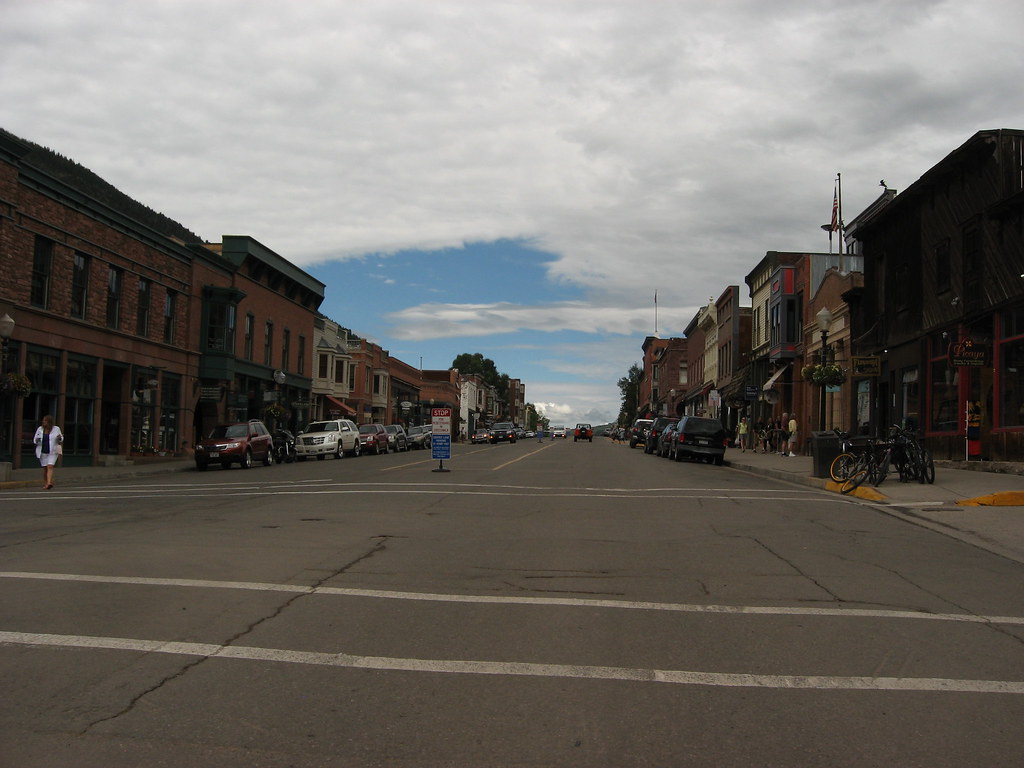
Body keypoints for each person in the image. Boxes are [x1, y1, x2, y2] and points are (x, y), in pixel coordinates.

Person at [33, 414, 63, 490]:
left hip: (52, 451)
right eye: (43, 420)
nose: (44, 422)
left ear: (49, 422)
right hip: (42, 451)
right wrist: (37, 440)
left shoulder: (56, 429)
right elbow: (35, 440)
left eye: (46, 421)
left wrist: (59, 438)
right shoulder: (40, 429)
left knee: (50, 466)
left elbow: (61, 438)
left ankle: (49, 483)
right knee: (45, 468)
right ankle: (45, 483)